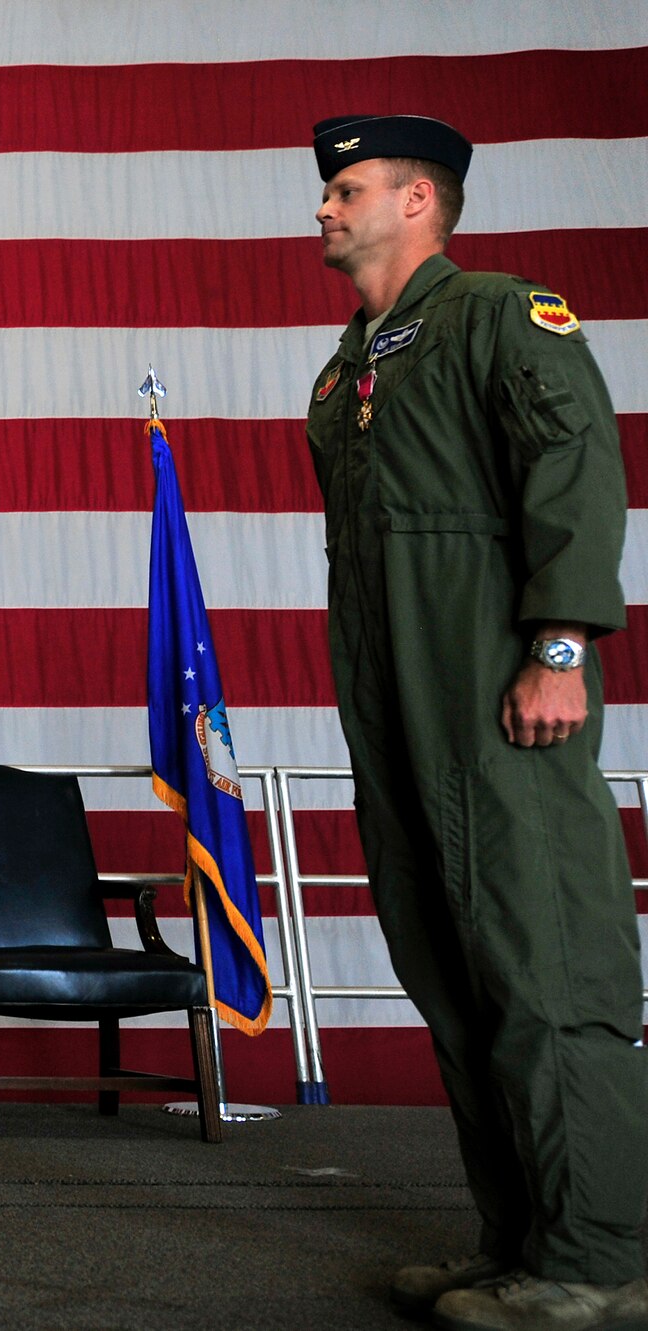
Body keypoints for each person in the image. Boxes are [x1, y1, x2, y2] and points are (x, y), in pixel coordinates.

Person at [304, 114, 647, 1331]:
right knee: (454, 973)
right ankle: (516, 1240)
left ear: (418, 201)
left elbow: (572, 464)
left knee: (545, 961)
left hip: (497, 687)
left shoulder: (502, 312)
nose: (324, 208)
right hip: (394, 699)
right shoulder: (349, 364)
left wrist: (559, 645)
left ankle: (601, 1255)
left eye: (348, 189)